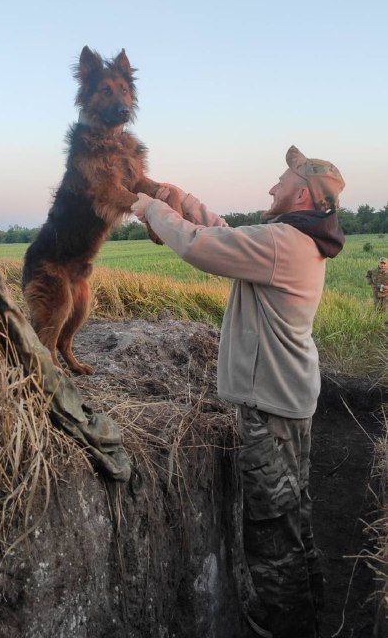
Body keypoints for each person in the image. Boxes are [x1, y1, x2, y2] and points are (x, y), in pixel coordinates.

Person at [131, 145, 345, 638]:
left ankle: (284, 626)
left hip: (269, 410)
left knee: (271, 529)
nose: (272, 188)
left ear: (304, 194)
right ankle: (310, 612)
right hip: (287, 401)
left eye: (281, 183)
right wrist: (183, 200)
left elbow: (198, 246)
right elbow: (226, 235)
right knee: (293, 512)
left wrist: (148, 207)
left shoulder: (284, 242)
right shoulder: (291, 241)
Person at [366, 257, 388, 322]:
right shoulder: (373, 270)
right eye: (381, 263)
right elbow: (368, 276)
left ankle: (385, 322)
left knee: (385, 308)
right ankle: (377, 322)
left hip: (386, 293)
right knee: (377, 307)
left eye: (384, 263)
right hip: (376, 292)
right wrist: (372, 285)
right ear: (379, 263)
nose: (382, 265)